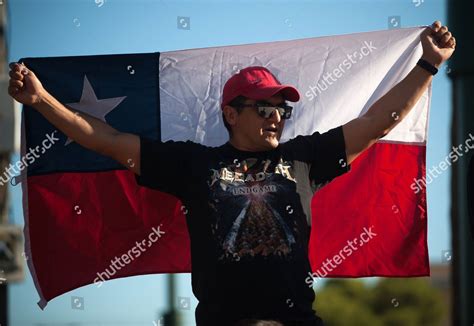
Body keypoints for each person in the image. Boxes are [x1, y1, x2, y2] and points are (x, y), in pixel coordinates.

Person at [7, 21, 455, 326]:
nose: (276, 117)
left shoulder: (305, 158)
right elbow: (105, 140)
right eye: (264, 107)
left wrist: (428, 64)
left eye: (281, 108)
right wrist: (42, 101)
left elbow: (378, 122)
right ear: (230, 114)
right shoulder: (193, 165)